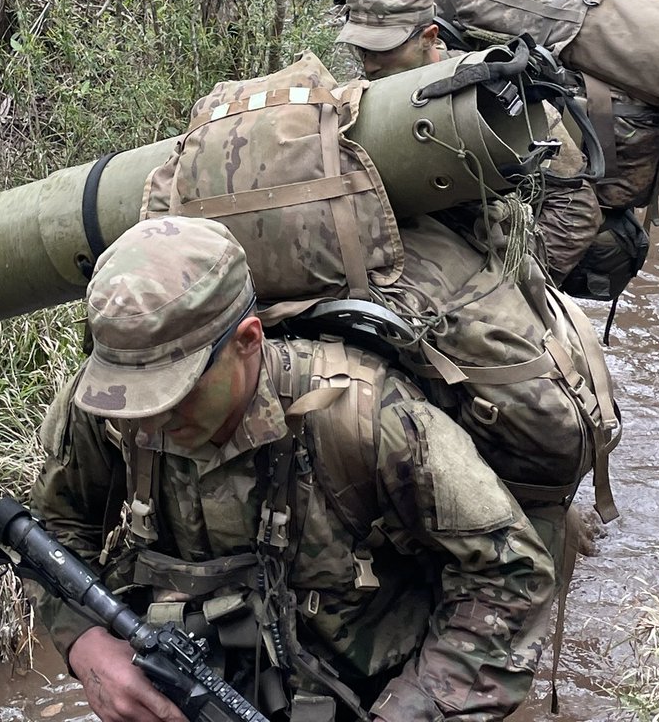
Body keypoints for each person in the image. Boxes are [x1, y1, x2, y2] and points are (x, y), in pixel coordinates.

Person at [30, 216, 556, 722]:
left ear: (247, 342)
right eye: (135, 401)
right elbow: (53, 529)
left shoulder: (368, 421)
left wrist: (415, 709)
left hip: (366, 700)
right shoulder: (111, 406)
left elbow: (511, 575)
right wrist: (85, 643)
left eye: (175, 393)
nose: (151, 421)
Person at [336, 0, 602, 286]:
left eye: (383, 49)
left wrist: (524, 285)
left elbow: (577, 208)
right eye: (361, 49)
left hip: (485, 262)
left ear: (429, 37)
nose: (369, 64)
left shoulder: (490, 96)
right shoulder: (361, 94)